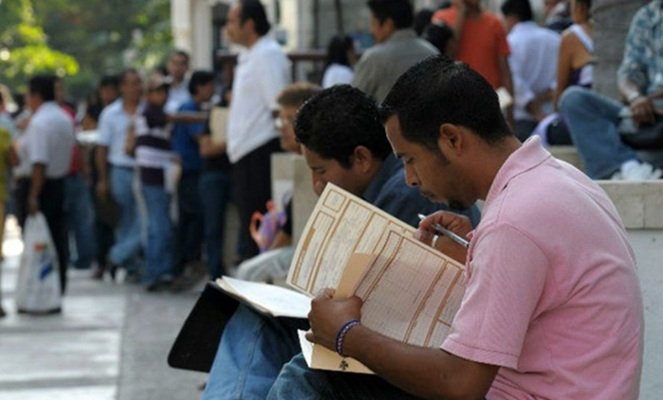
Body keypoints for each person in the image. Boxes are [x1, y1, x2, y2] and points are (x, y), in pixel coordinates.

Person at [266, 55, 644, 400]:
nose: (410, 179)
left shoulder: (514, 221)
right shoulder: (562, 180)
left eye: (410, 159)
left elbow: (460, 384)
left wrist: (347, 334)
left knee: (312, 376)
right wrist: (473, 253)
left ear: (451, 139)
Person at [201, 84, 480, 400]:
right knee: (256, 319)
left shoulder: (406, 194)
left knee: (297, 368)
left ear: (361, 158)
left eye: (320, 170)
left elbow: (393, 316)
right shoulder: (384, 191)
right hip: (370, 338)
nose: (317, 185)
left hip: (398, 355)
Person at [559, 1, 662, 180]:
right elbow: (628, 74)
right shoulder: (647, 16)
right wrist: (635, 97)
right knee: (573, 99)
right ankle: (625, 168)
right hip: (647, 117)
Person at [234, 82, 321, 282]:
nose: (282, 128)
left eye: (290, 120)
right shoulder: (299, 166)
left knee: (248, 273)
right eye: (281, 120)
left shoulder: (318, 167)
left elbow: (285, 240)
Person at [224, 0, 290, 261]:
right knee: (250, 229)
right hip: (245, 152)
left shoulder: (268, 54)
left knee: (259, 230)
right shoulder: (249, 55)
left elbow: (278, 106)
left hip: (260, 150)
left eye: (232, 21)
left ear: (249, 24)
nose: (227, 27)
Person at [22, 75, 75, 295]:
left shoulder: (40, 122)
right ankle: (57, 285)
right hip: (59, 182)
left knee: (43, 241)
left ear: (36, 96)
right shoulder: (64, 118)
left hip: (43, 186)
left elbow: (39, 164)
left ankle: (43, 289)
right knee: (58, 238)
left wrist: (33, 195)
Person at [127, 72, 178, 292]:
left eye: (164, 91)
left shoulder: (157, 113)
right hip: (151, 176)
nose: (162, 95)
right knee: (158, 227)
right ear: (148, 94)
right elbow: (171, 119)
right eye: (157, 91)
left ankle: (160, 271)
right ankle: (154, 273)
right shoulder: (148, 112)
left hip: (161, 176)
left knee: (161, 225)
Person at [96, 69, 144, 278]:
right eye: (131, 83)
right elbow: (102, 148)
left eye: (138, 83)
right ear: (122, 87)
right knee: (125, 219)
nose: (135, 88)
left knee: (143, 219)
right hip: (120, 170)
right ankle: (129, 264)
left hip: (143, 170)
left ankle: (117, 255)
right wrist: (103, 179)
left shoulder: (146, 109)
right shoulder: (110, 113)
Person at [432, 0, 514, 124]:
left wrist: (510, 115)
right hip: (456, 106)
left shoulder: (494, 23)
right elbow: (447, 55)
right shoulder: (441, 18)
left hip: (490, 105)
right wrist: (461, 14)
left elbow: (505, 73)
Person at [170, 70, 215, 282]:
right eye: (209, 86)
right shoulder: (189, 109)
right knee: (192, 217)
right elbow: (199, 135)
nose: (212, 90)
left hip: (194, 170)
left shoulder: (196, 107)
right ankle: (185, 262)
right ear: (199, 87)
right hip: (189, 171)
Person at [351, 0, 438, 103]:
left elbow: (352, 102)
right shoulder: (432, 52)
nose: (371, 31)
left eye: (373, 23)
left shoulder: (374, 58)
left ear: (388, 25)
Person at [533, 0, 594, 146]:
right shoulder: (618, 32)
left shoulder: (572, 36)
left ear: (579, 5)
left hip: (580, 118)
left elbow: (560, 90)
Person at [502, 0, 560, 141]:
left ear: (511, 17)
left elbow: (513, 81)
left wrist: (534, 109)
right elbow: (563, 75)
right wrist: (548, 94)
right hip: (552, 116)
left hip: (523, 118)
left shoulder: (510, 42)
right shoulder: (555, 39)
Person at [164, 50, 192, 115]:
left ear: (187, 67)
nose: (177, 68)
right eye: (174, 63)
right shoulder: (161, 86)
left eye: (182, 64)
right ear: (168, 65)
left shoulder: (192, 87)